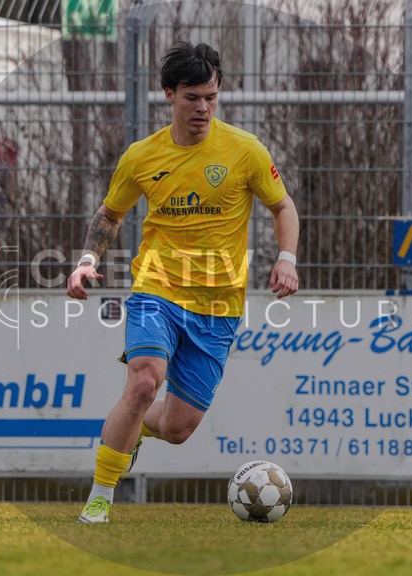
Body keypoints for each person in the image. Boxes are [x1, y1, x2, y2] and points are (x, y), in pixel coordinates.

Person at [67, 41, 300, 523]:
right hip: (157, 289)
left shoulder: (244, 151)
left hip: (218, 306)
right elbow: (110, 214)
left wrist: (286, 258)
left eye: (211, 97)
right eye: (193, 97)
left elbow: (283, 206)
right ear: (169, 94)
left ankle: (127, 431)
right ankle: (100, 497)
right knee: (143, 383)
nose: (203, 108)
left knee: (177, 427)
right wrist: (87, 259)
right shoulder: (141, 157)